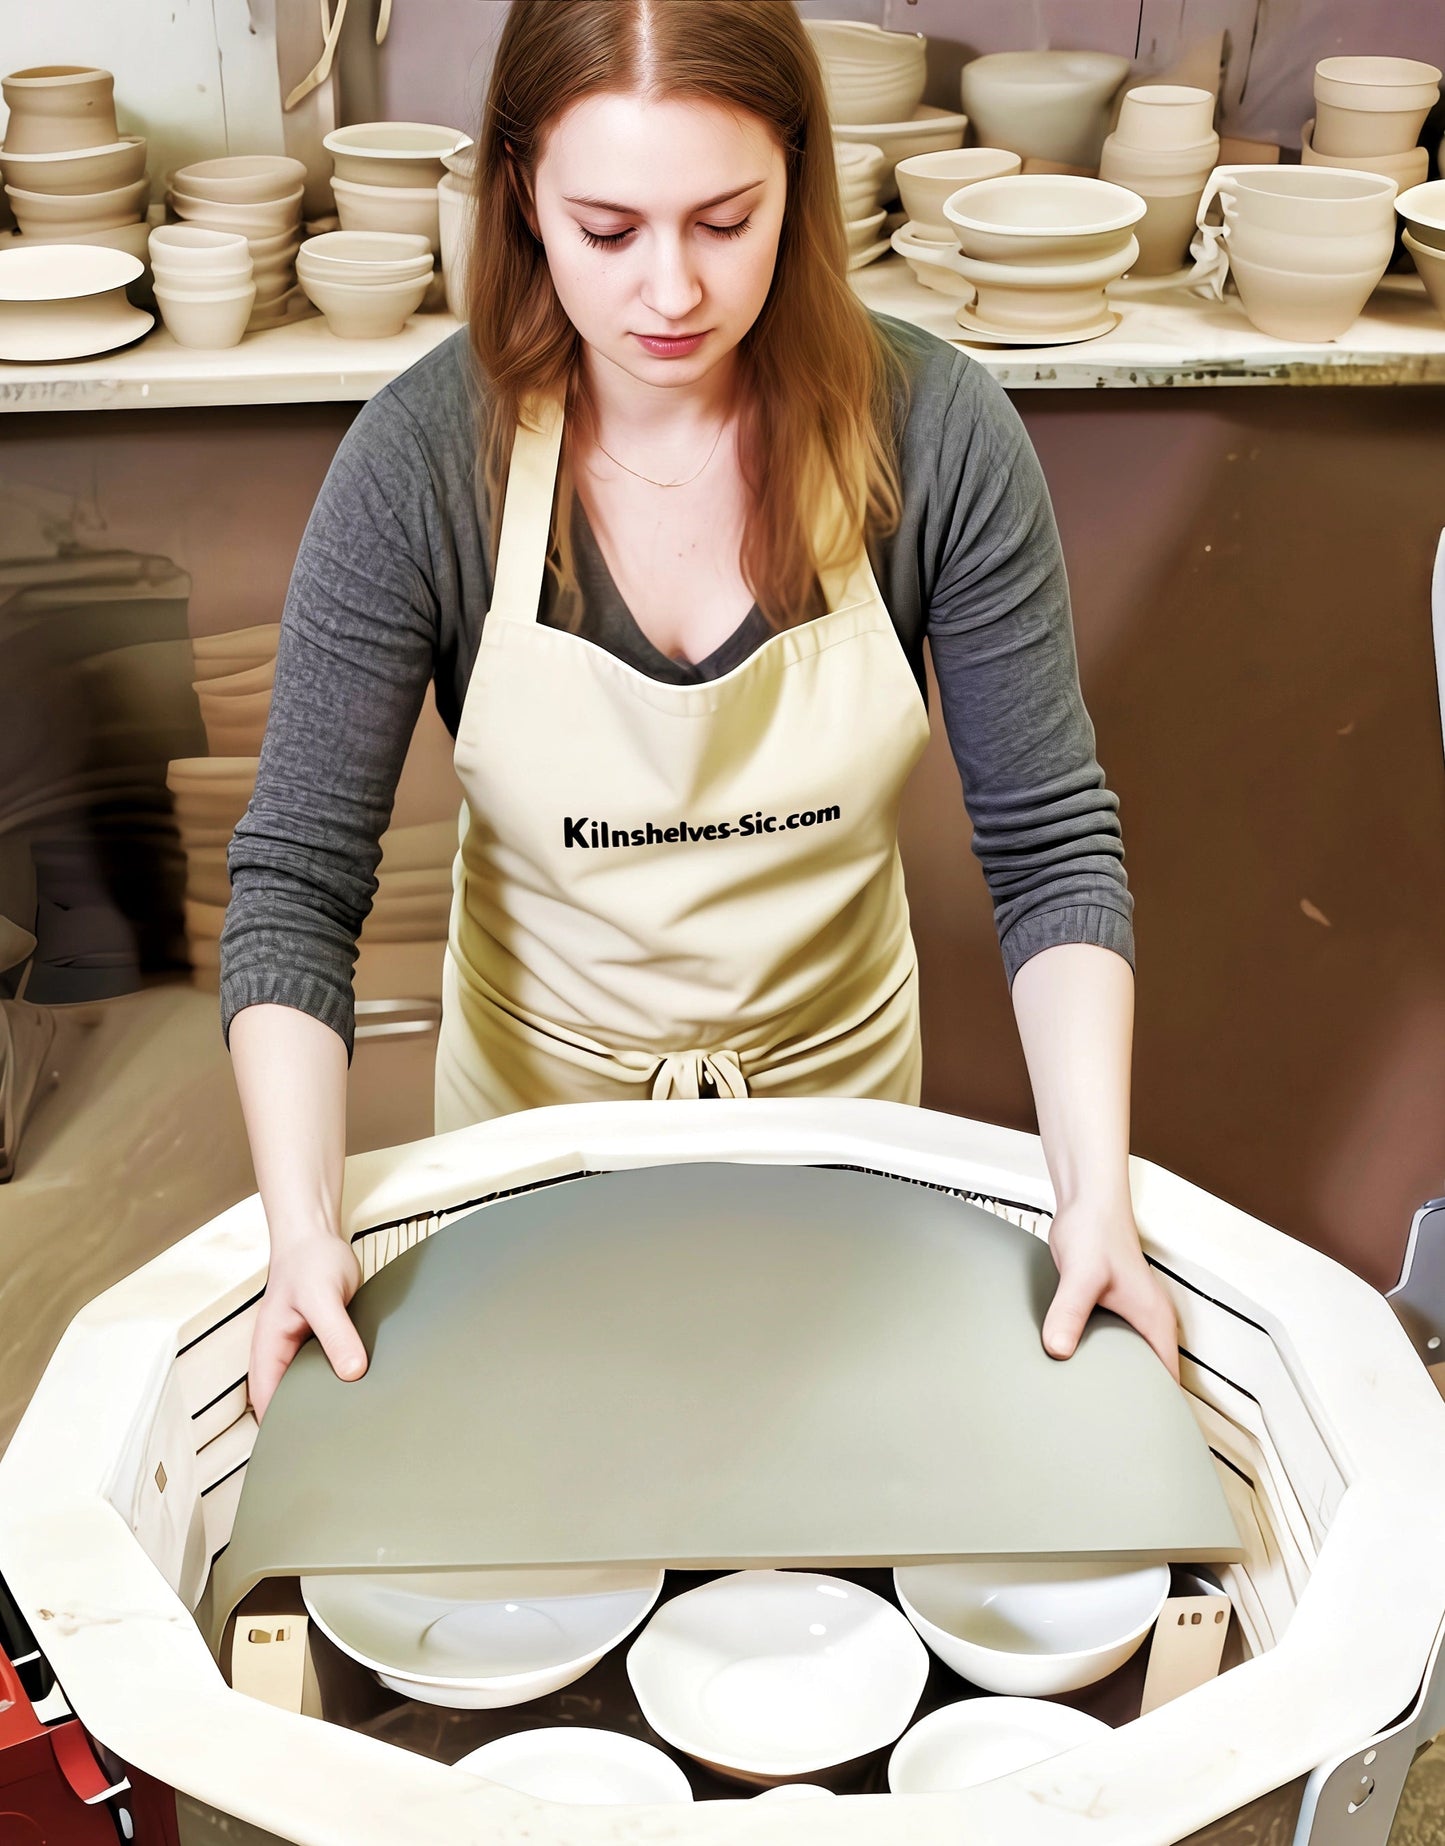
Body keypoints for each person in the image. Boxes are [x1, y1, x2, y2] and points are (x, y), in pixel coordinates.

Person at [224, 0, 1179, 1421]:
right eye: (606, 230)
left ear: (798, 178)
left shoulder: (938, 437)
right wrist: (300, 1225)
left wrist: (1091, 1189)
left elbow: (1049, 848)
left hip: (845, 1122)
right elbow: (295, 884)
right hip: (532, 1146)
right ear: (520, 197)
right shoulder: (421, 464)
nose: (668, 290)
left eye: (723, 219)